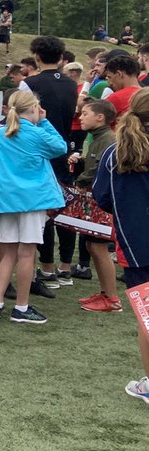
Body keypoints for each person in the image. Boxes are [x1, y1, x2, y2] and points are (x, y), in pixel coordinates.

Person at [0, 90, 67, 326]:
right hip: (32, 200)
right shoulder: (36, 133)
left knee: (9, 251)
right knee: (27, 253)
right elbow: (60, 147)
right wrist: (45, 120)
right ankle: (21, 306)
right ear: (33, 109)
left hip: (5, 200)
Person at [91, 88, 149, 403]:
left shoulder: (117, 151)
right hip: (135, 241)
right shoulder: (119, 150)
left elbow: (102, 197)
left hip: (136, 242)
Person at [21, 36, 82, 295]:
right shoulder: (71, 84)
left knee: (42, 211)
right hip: (63, 149)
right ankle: (65, 266)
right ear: (61, 58)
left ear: (36, 56)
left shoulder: (29, 83)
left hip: (39, 149)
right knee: (64, 208)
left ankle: (46, 267)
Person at [70, 98, 121, 312]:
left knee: (98, 247)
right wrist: (81, 161)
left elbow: (100, 169)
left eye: (85, 114)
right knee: (92, 246)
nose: (80, 117)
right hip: (95, 198)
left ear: (100, 117)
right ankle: (105, 293)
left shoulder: (107, 139)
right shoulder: (98, 137)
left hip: (100, 199)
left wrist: (80, 180)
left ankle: (112, 298)